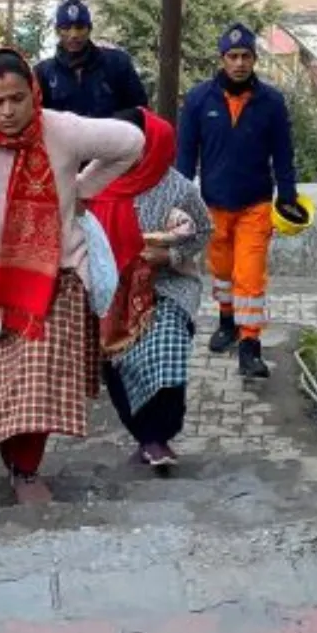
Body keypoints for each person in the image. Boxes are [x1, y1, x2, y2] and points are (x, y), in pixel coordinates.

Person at [0, 48, 143, 504]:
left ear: (33, 94)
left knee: (36, 384)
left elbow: (130, 144)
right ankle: (18, 468)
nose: (8, 111)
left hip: (54, 281)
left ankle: (27, 471)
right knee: (3, 388)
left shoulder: (62, 130)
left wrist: (79, 191)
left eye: (17, 98)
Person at [175, 22, 302, 380]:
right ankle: (226, 322)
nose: (240, 63)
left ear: (255, 60)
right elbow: (185, 154)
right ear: (222, 59)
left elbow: (283, 154)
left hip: (255, 205)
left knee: (249, 276)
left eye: (246, 56)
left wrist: (288, 197)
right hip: (213, 205)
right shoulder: (199, 100)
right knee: (222, 271)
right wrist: (181, 198)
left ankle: (250, 347)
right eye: (233, 56)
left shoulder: (272, 102)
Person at [89, 107, 212, 470]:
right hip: (111, 295)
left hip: (167, 289)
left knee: (166, 351)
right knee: (121, 362)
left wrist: (170, 255)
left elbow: (203, 231)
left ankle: (159, 436)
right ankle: (147, 438)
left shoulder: (177, 187)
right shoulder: (92, 182)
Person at [35, 0, 149, 120]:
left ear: (89, 29)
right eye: (66, 28)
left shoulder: (117, 63)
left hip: (111, 138)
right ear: (57, 31)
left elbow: (140, 111)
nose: (73, 35)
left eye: (80, 27)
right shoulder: (43, 73)